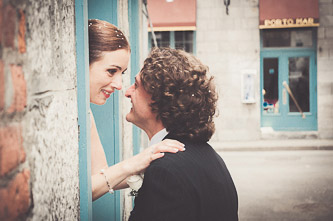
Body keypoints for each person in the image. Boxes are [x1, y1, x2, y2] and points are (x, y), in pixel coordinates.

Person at [125, 47, 239, 220]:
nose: (127, 92)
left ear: (159, 98)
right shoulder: (208, 155)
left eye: (136, 85)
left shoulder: (165, 171)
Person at [88, 19, 185, 201]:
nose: (119, 85)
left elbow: (101, 178)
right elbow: (81, 191)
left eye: (121, 73)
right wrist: (137, 161)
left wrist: (152, 164)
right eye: (111, 71)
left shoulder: (87, 115)